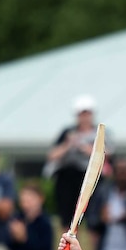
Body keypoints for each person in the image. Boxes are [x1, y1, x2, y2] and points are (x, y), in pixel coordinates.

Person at [45, 95, 103, 229]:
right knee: (66, 218)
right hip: (67, 178)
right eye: (81, 114)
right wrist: (69, 144)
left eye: (87, 113)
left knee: (92, 218)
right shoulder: (67, 132)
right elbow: (52, 155)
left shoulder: (99, 133)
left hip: (90, 177)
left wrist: (82, 146)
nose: (84, 117)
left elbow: (105, 156)